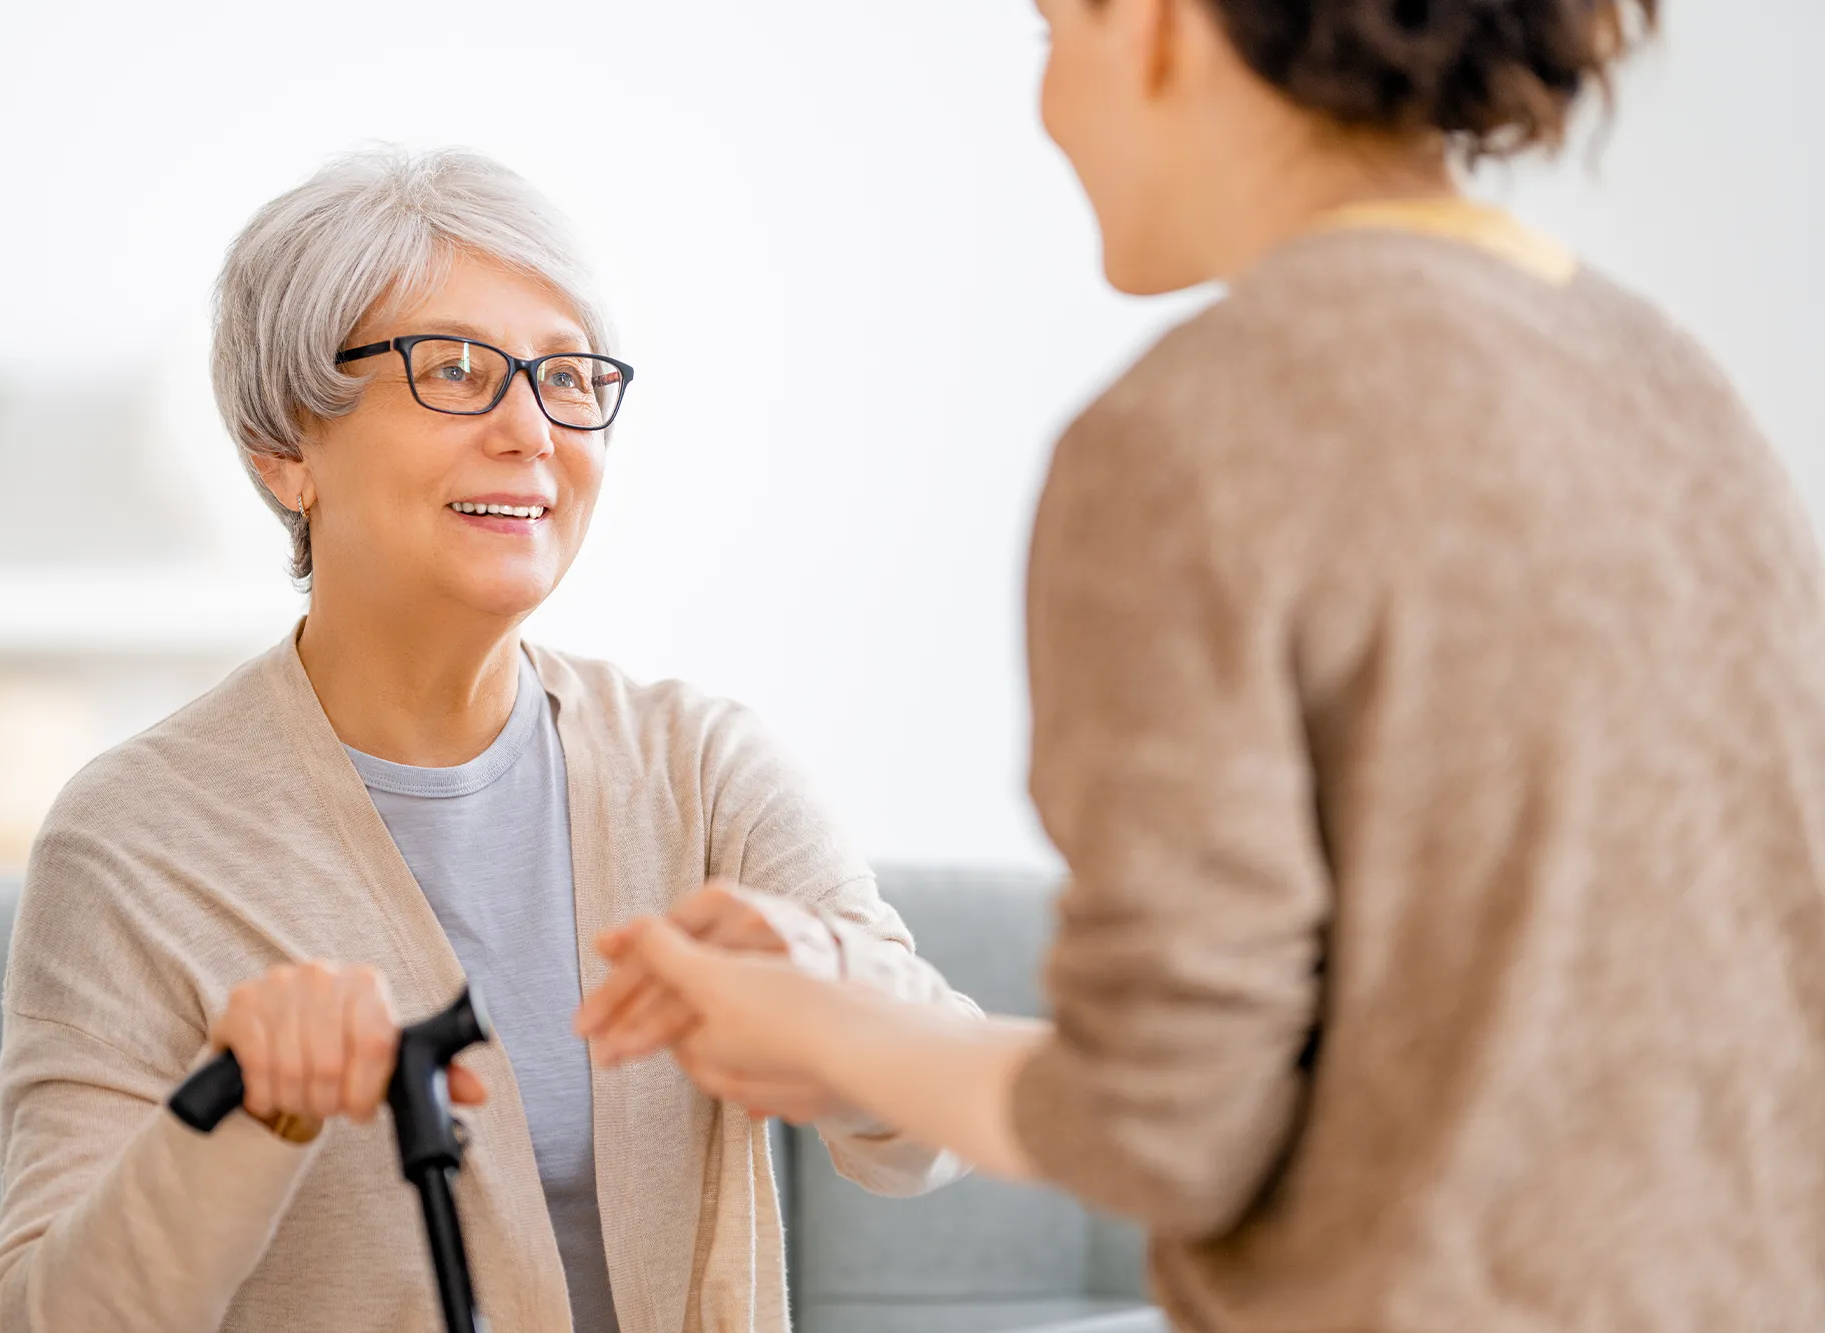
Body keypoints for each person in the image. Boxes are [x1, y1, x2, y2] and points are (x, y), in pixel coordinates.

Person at [580, 0, 1825, 1328]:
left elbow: (1162, 1125)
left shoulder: (1189, 430)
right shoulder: (1670, 383)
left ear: (1156, 25)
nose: (1049, 105)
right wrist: (850, 1005)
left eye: (1051, 34)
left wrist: (825, 1033)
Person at [0, 147, 974, 1333]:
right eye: (454, 369)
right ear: (286, 447)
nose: (531, 428)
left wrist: (836, 990)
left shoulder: (699, 766)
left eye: (567, 376)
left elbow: (929, 1134)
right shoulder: (134, 837)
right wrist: (243, 1114)